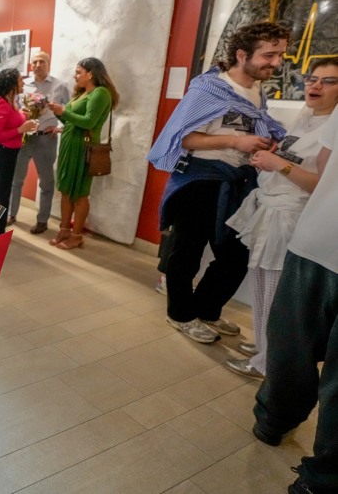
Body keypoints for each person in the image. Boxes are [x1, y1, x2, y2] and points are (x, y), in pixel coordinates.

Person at [147, 22, 289, 344]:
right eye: (269, 54)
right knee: (187, 252)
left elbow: (247, 133)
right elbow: (183, 137)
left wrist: (260, 144)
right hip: (199, 178)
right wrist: (236, 143)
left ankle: (206, 310)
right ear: (242, 54)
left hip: (239, 182)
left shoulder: (257, 93)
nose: (276, 62)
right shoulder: (208, 90)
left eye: (280, 55)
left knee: (236, 256)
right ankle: (181, 314)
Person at [223, 57, 338, 379]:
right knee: (262, 289)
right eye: (313, 78)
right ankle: (265, 347)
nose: (316, 85)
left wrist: (279, 165)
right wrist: (275, 156)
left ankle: (267, 363)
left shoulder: (333, 128)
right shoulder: (308, 117)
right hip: (272, 211)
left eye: (328, 81)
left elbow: (322, 187)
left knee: (274, 298)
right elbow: (295, 160)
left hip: (289, 219)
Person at [251, 107, 338, 494]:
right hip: (317, 243)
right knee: (290, 348)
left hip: (318, 240)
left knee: (290, 345)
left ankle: (275, 421)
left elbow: (324, 167)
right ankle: (321, 478)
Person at [48, 57, 119, 250]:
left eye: (79, 72)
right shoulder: (81, 93)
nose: (75, 75)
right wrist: (57, 113)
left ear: (91, 73)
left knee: (79, 193)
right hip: (70, 145)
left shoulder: (100, 93)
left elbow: (88, 122)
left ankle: (77, 235)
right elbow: (73, 121)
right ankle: (64, 229)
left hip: (83, 148)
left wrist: (64, 111)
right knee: (65, 189)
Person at [10, 51, 71, 234]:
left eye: (42, 61)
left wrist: (61, 128)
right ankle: (11, 215)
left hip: (46, 139)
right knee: (16, 180)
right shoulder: (23, 85)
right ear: (31, 65)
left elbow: (68, 111)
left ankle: (42, 220)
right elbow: (14, 108)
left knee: (46, 182)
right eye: (35, 62)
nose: (38, 65)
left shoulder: (60, 86)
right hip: (24, 139)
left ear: (49, 64)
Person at [0, 68, 37, 237]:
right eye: (21, 80)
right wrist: (21, 128)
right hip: (3, 152)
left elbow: (10, 121)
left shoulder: (11, 102)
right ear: (12, 84)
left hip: (11, 152)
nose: (23, 83)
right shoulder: (2, 103)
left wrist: (22, 115)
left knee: (4, 190)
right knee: (1, 192)